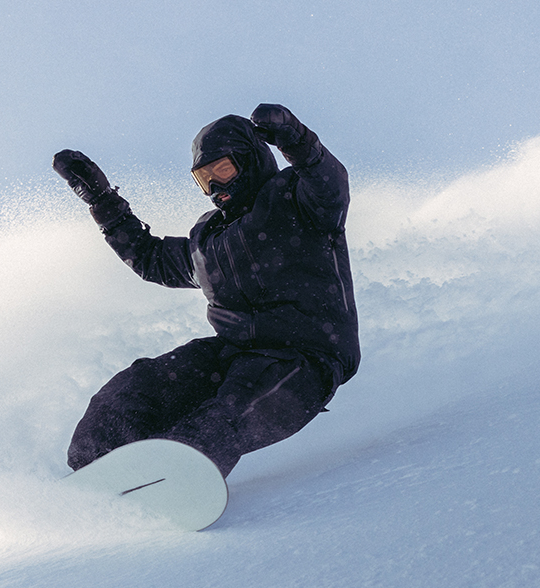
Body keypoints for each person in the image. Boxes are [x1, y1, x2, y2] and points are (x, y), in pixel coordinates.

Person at [52, 104, 359, 477]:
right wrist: (102, 201)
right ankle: (95, 473)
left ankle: (173, 479)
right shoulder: (209, 239)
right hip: (231, 354)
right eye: (204, 179)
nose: (215, 187)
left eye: (223, 171)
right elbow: (151, 259)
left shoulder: (296, 202)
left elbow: (328, 182)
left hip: (304, 359)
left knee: (224, 418)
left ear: (249, 162)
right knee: (131, 391)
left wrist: (295, 138)